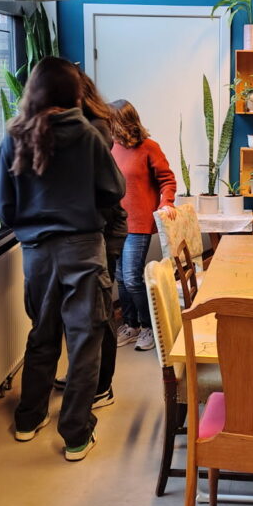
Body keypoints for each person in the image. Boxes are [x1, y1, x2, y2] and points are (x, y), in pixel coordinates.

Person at [0, 57, 125, 461]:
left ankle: (29, 418)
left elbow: (2, 205)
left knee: (42, 333)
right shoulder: (86, 134)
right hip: (83, 249)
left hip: (36, 254)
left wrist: (34, 224)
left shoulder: (13, 137)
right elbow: (114, 190)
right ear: (73, 92)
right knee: (85, 341)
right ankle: (76, 435)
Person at [51, 70, 127, 410]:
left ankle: (101, 385)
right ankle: (84, 377)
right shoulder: (78, 129)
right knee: (81, 315)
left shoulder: (94, 130)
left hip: (103, 233)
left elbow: (111, 192)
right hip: (89, 233)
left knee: (100, 314)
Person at [109, 100, 176, 352]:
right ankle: (131, 325)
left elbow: (167, 180)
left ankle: (149, 327)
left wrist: (166, 203)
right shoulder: (110, 147)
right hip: (114, 224)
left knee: (132, 278)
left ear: (122, 121)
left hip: (139, 223)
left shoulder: (149, 147)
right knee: (120, 278)